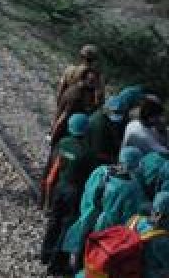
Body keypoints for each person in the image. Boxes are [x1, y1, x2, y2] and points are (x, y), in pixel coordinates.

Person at [61, 147, 149, 269]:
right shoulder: (132, 189)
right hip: (108, 232)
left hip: (87, 219)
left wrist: (88, 213)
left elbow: (86, 196)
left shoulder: (100, 172)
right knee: (97, 259)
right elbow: (130, 217)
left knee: (78, 250)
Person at [40, 113, 92, 272]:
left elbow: (52, 170)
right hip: (75, 191)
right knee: (66, 226)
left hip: (59, 187)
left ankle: (45, 254)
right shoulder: (87, 151)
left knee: (54, 220)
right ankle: (55, 264)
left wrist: (47, 197)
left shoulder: (62, 143)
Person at [56, 44, 107, 111]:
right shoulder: (97, 76)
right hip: (82, 111)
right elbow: (99, 99)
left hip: (65, 104)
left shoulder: (69, 69)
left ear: (81, 56)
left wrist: (59, 106)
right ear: (95, 59)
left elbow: (60, 90)